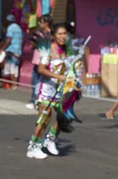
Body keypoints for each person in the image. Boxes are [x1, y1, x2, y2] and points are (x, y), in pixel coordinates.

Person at [27, 24, 81, 159]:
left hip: (60, 90)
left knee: (65, 115)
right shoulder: (48, 50)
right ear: (53, 36)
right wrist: (59, 77)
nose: (63, 36)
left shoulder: (66, 51)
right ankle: (34, 146)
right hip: (46, 89)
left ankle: (50, 139)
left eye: (65, 34)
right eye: (60, 34)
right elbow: (41, 70)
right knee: (44, 118)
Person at [26, 14, 52, 110]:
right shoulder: (38, 33)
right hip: (36, 60)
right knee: (34, 82)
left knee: (42, 83)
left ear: (47, 23)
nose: (40, 23)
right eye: (39, 21)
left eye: (42, 21)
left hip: (44, 61)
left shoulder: (51, 34)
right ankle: (34, 101)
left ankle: (39, 101)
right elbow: (33, 43)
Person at [0, 14, 23, 89]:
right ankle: (14, 84)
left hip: (11, 50)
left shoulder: (10, 28)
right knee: (15, 68)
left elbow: (8, 40)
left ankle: (13, 85)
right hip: (18, 50)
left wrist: (2, 48)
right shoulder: (19, 28)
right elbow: (22, 40)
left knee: (10, 67)